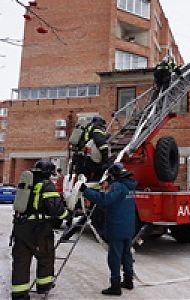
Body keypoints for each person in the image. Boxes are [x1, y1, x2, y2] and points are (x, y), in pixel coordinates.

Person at [11, 160, 69, 300]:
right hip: (39, 229)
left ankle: (19, 294)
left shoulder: (28, 182)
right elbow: (55, 209)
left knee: (21, 260)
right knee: (46, 256)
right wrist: (67, 214)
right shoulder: (47, 185)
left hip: (20, 227)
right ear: (48, 173)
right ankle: (44, 286)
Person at [79, 162, 137, 296]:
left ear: (114, 175)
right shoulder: (129, 186)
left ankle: (115, 286)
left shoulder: (117, 186)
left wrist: (85, 190)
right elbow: (115, 201)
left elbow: (105, 200)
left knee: (115, 257)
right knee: (126, 254)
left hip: (117, 227)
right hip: (128, 226)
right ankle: (128, 280)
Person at [73, 115, 110, 181]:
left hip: (81, 158)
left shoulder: (86, 128)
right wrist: (105, 160)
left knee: (84, 179)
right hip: (91, 158)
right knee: (98, 175)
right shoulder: (97, 129)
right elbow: (101, 143)